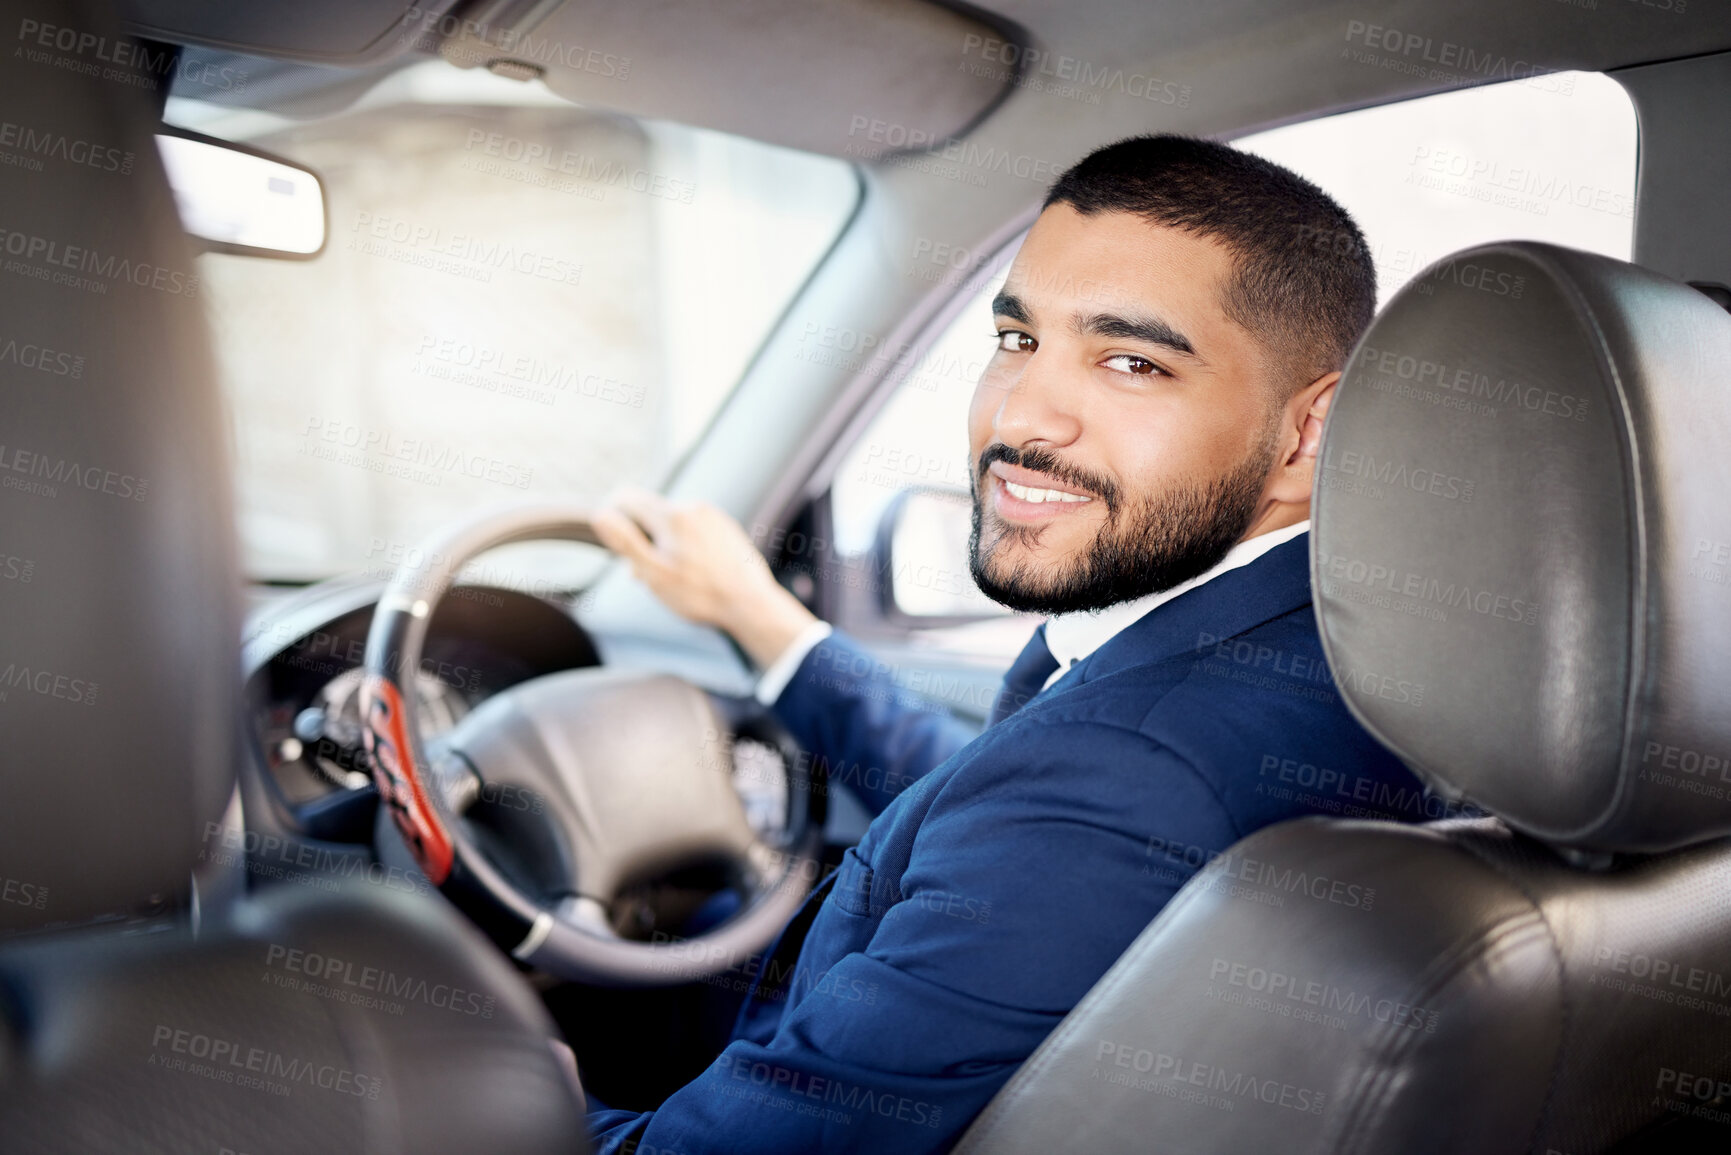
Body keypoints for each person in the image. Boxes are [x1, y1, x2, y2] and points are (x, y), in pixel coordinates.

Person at [585, 134, 1431, 1153]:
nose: (1021, 414)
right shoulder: (1323, 650)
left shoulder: (1131, 778)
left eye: (1131, 362)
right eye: (1019, 338)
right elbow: (1005, 807)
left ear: (1307, 436)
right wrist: (768, 626)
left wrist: (429, 1087)